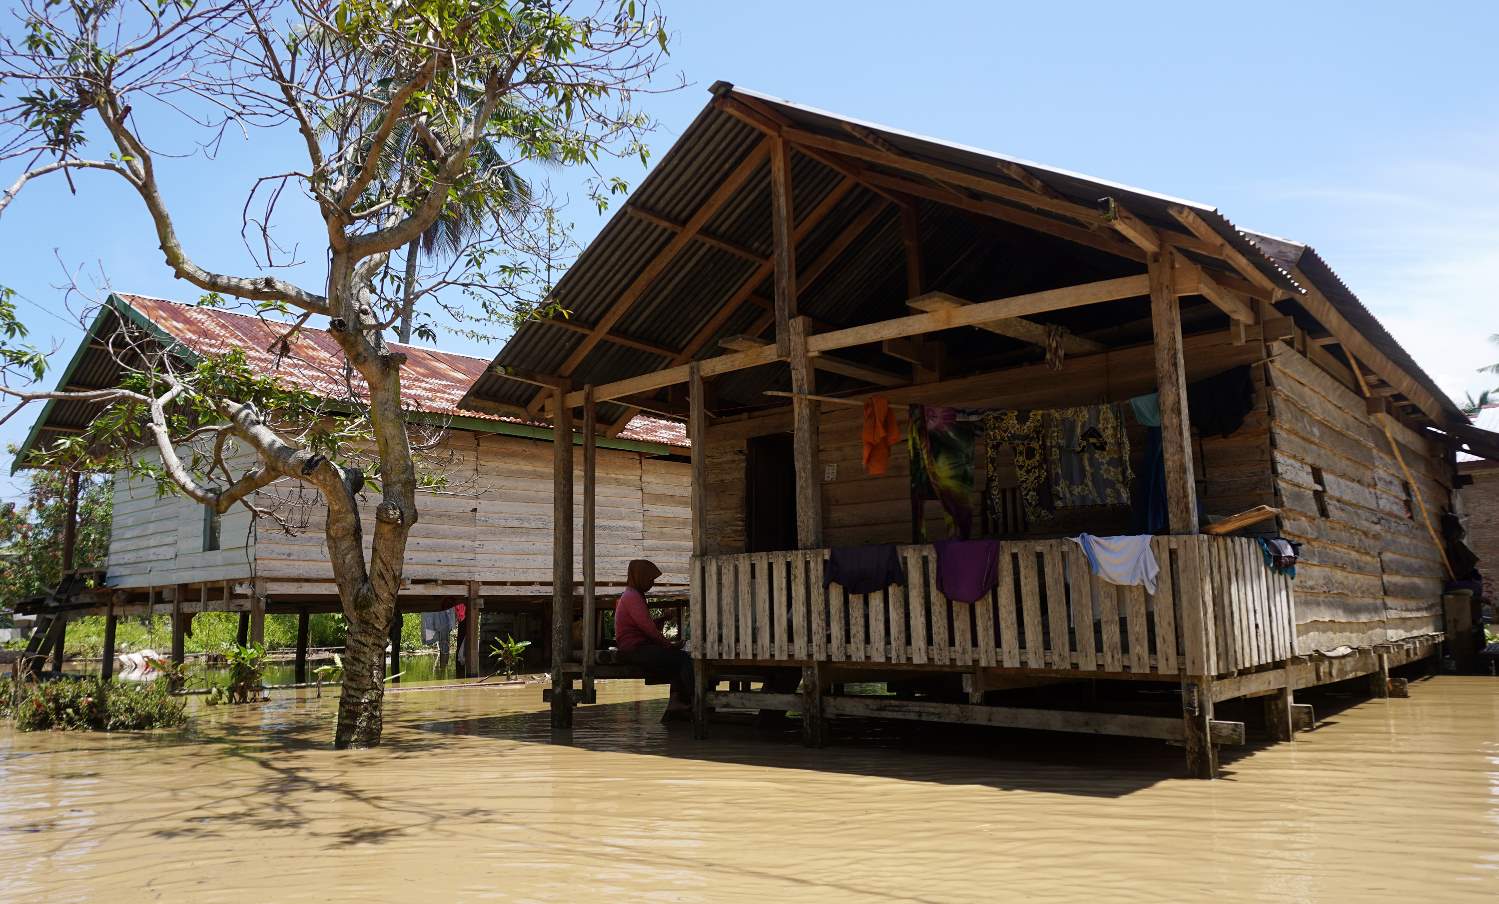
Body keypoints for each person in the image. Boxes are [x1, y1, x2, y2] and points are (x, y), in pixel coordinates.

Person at [614, 559, 693, 721]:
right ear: (640, 577)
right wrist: (669, 646)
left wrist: (663, 618)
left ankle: (675, 703)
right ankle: (695, 700)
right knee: (683, 659)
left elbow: (643, 626)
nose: (651, 583)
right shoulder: (632, 597)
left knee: (675, 661)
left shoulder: (632, 595)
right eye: (650, 579)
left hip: (637, 648)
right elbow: (648, 630)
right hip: (635, 650)